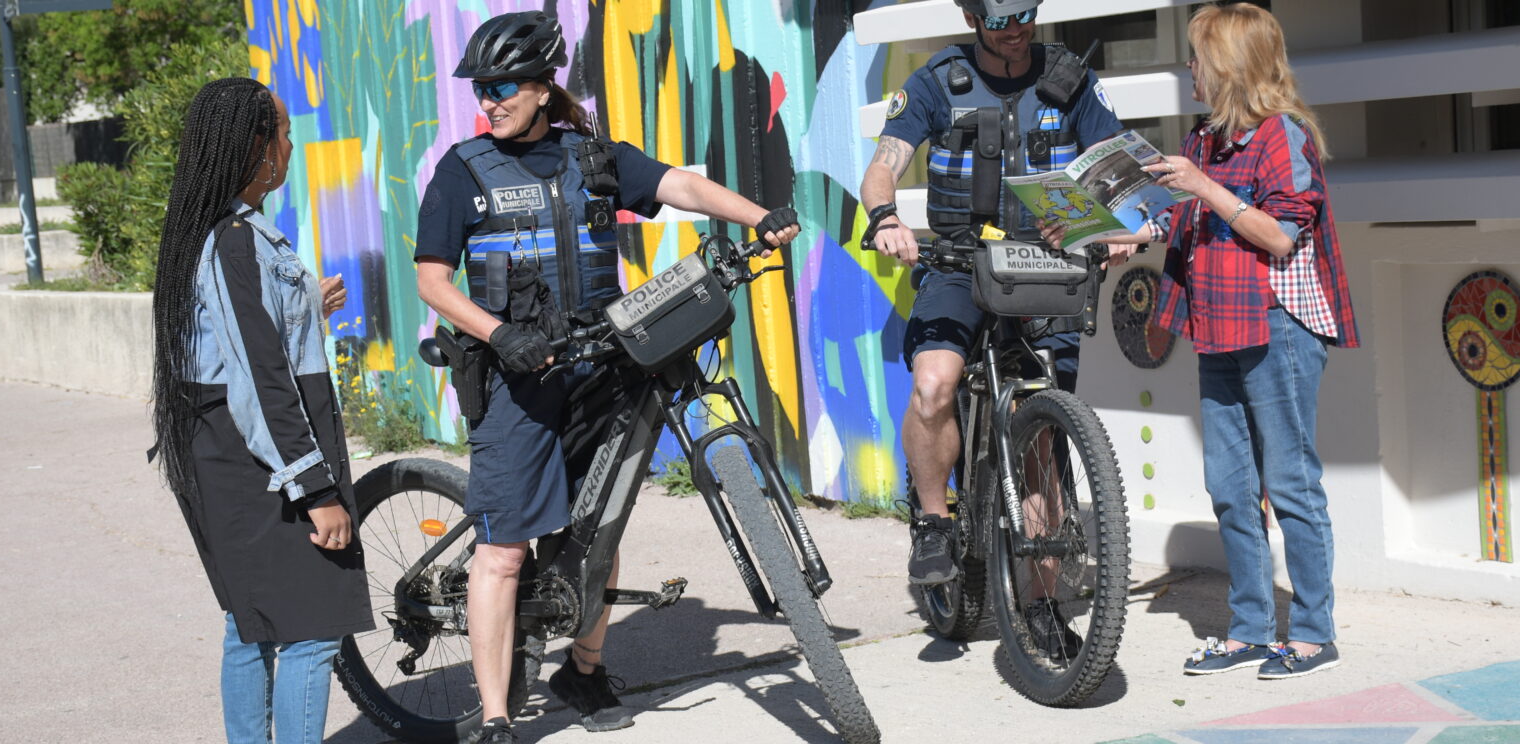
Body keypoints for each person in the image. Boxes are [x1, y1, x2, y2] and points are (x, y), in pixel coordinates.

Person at [412, 12, 800, 742]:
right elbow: (433, 281)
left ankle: (583, 670)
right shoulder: (462, 171)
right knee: (501, 550)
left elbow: (680, 185)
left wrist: (759, 217)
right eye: (481, 89)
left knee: (600, 521)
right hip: (514, 381)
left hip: (598, 366)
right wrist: (501, 335)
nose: (488, 101)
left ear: (539, 87)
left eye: (500, 88)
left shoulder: (590, 156)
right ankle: (496, 716)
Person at [859, 0, 1133, 650]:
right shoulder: (938, 83)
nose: (1016, 30)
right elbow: (883, 165)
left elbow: (1116, 166)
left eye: (1026, 13)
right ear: (970, 14)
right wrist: (885, 218)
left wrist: (1118, 224)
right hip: (959, 265)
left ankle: (1042, 606)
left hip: (1047, 268)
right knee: (934, 383)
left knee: (1043, 441)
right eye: (1001, 17)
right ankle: (932, 522)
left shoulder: (1071, 81)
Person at [1107, 3, 1358, 679]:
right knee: (1230, 487)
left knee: (1291, 482)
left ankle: (1312, 632)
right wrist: (1125, 237)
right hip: (1218, 326)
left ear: (1227, 66)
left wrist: (1203, 187)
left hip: (1278, 326)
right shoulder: (1202, 143)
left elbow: (1280, 235)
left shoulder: (1286, 136)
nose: (1187, 70)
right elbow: (1172, 220)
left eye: (1195, 58)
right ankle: (1249, 627)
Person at [150, 77, 373, 744]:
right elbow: (261, 378)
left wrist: (306, 306)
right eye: (281, 133)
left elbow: (239, 341)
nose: (290, 145)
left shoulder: (220, 233)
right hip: (255, 463)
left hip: (224, 451)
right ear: (254, 147)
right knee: (309, 626)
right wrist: (314, 489)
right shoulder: (234, 241)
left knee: (252, 623)